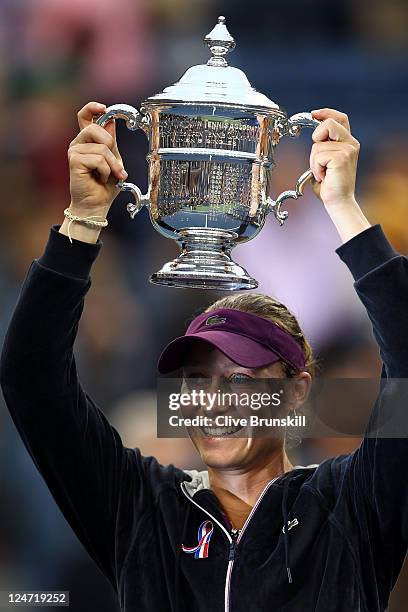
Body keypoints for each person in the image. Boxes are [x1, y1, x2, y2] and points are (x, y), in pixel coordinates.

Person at [1, 102, 407, 612]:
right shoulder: (142, 507)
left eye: (237, 381)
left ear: (296, 391)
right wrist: (82, 220)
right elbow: (31, 378)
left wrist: (344, 207)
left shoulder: (351, 505)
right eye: (194, 380)